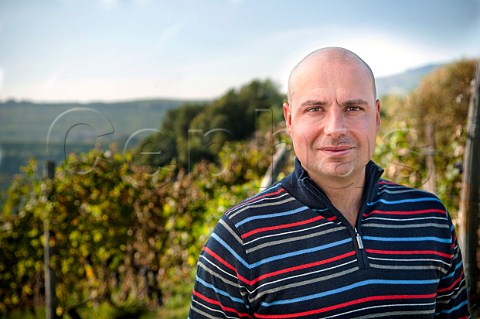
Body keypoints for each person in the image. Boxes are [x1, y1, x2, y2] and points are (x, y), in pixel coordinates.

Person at [188, 47, 470, 318]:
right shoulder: (240, 238)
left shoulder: (430, 218)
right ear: (289, 119)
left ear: (376, 116)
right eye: (315, 109)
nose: (335, 128)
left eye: (353, 108)